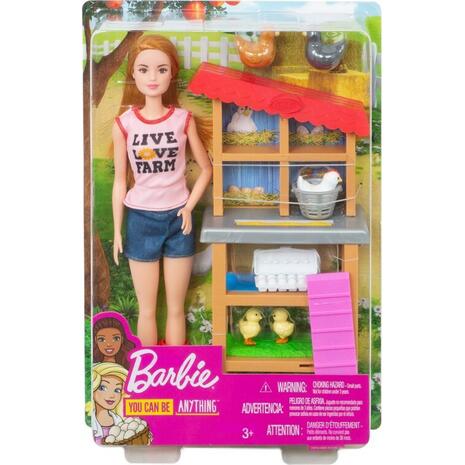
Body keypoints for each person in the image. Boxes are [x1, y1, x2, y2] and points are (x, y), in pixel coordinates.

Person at [112, 35, 212, 346]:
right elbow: (120, 181)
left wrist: (188, 207)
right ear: (133, 73)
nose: (153, 77)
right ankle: (149, 369)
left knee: (176, 310)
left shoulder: (183, 120)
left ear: (172, 74)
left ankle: (176, 368)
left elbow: (206, 169)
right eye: (144, 70)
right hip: (140, 219)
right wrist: (117, 230)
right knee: (146, 311)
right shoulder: (124, 124)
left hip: (178, 219)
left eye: (162, 69)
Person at [91, 362, 127, 444]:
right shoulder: (90, 422)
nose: (112, 395)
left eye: (117, 390)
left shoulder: (119, 422)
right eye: (103, 388)